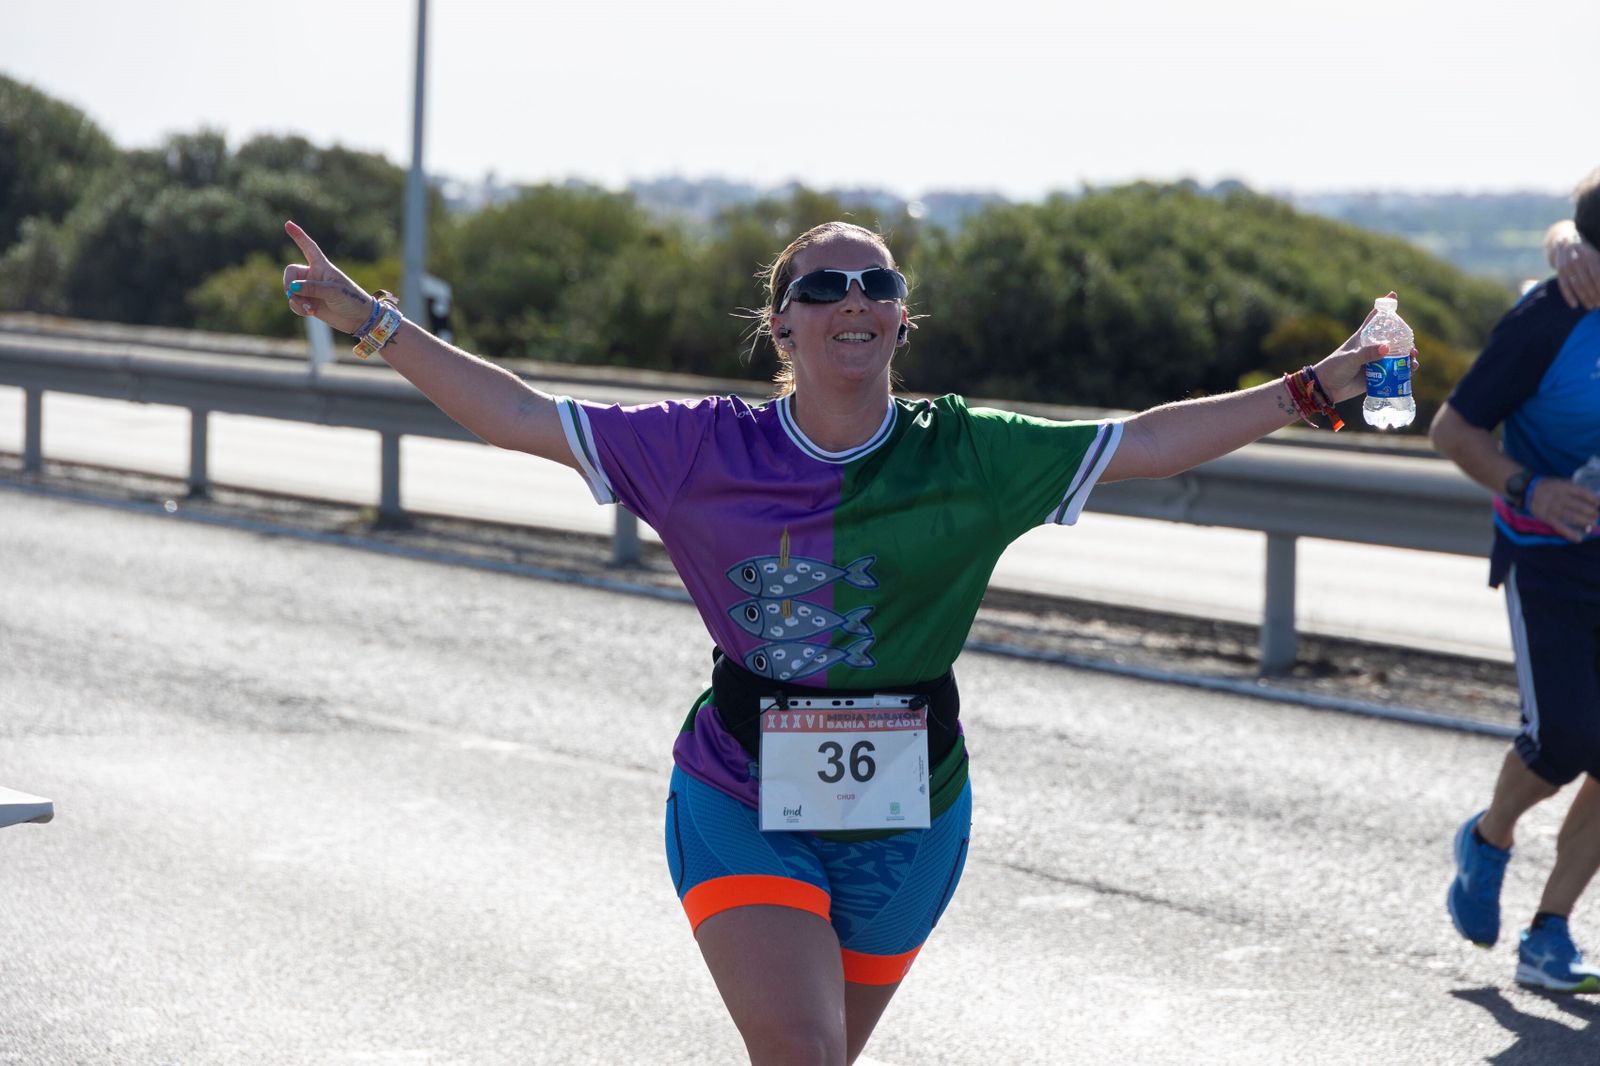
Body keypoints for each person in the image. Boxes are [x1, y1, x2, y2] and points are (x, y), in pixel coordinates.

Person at [282, 217, 1393, 1064]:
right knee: (805, 1054)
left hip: (912, 810)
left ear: (903, 320)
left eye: (879, 285)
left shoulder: (968, 452)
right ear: (782, 326)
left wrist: (1311, 387)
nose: (853, 300)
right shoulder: (699, 448)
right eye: (822, 287)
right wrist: (372, 322)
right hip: (738, 789)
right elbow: (522, 415)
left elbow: (1143, 442)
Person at [1431, 166, 1600, 995]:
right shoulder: (1550, 316)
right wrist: (1531, 487)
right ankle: (1490, 835)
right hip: (1549, 558)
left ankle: (1550, 933)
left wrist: (1562, 236)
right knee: (1567, 739)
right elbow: (1451, 429)